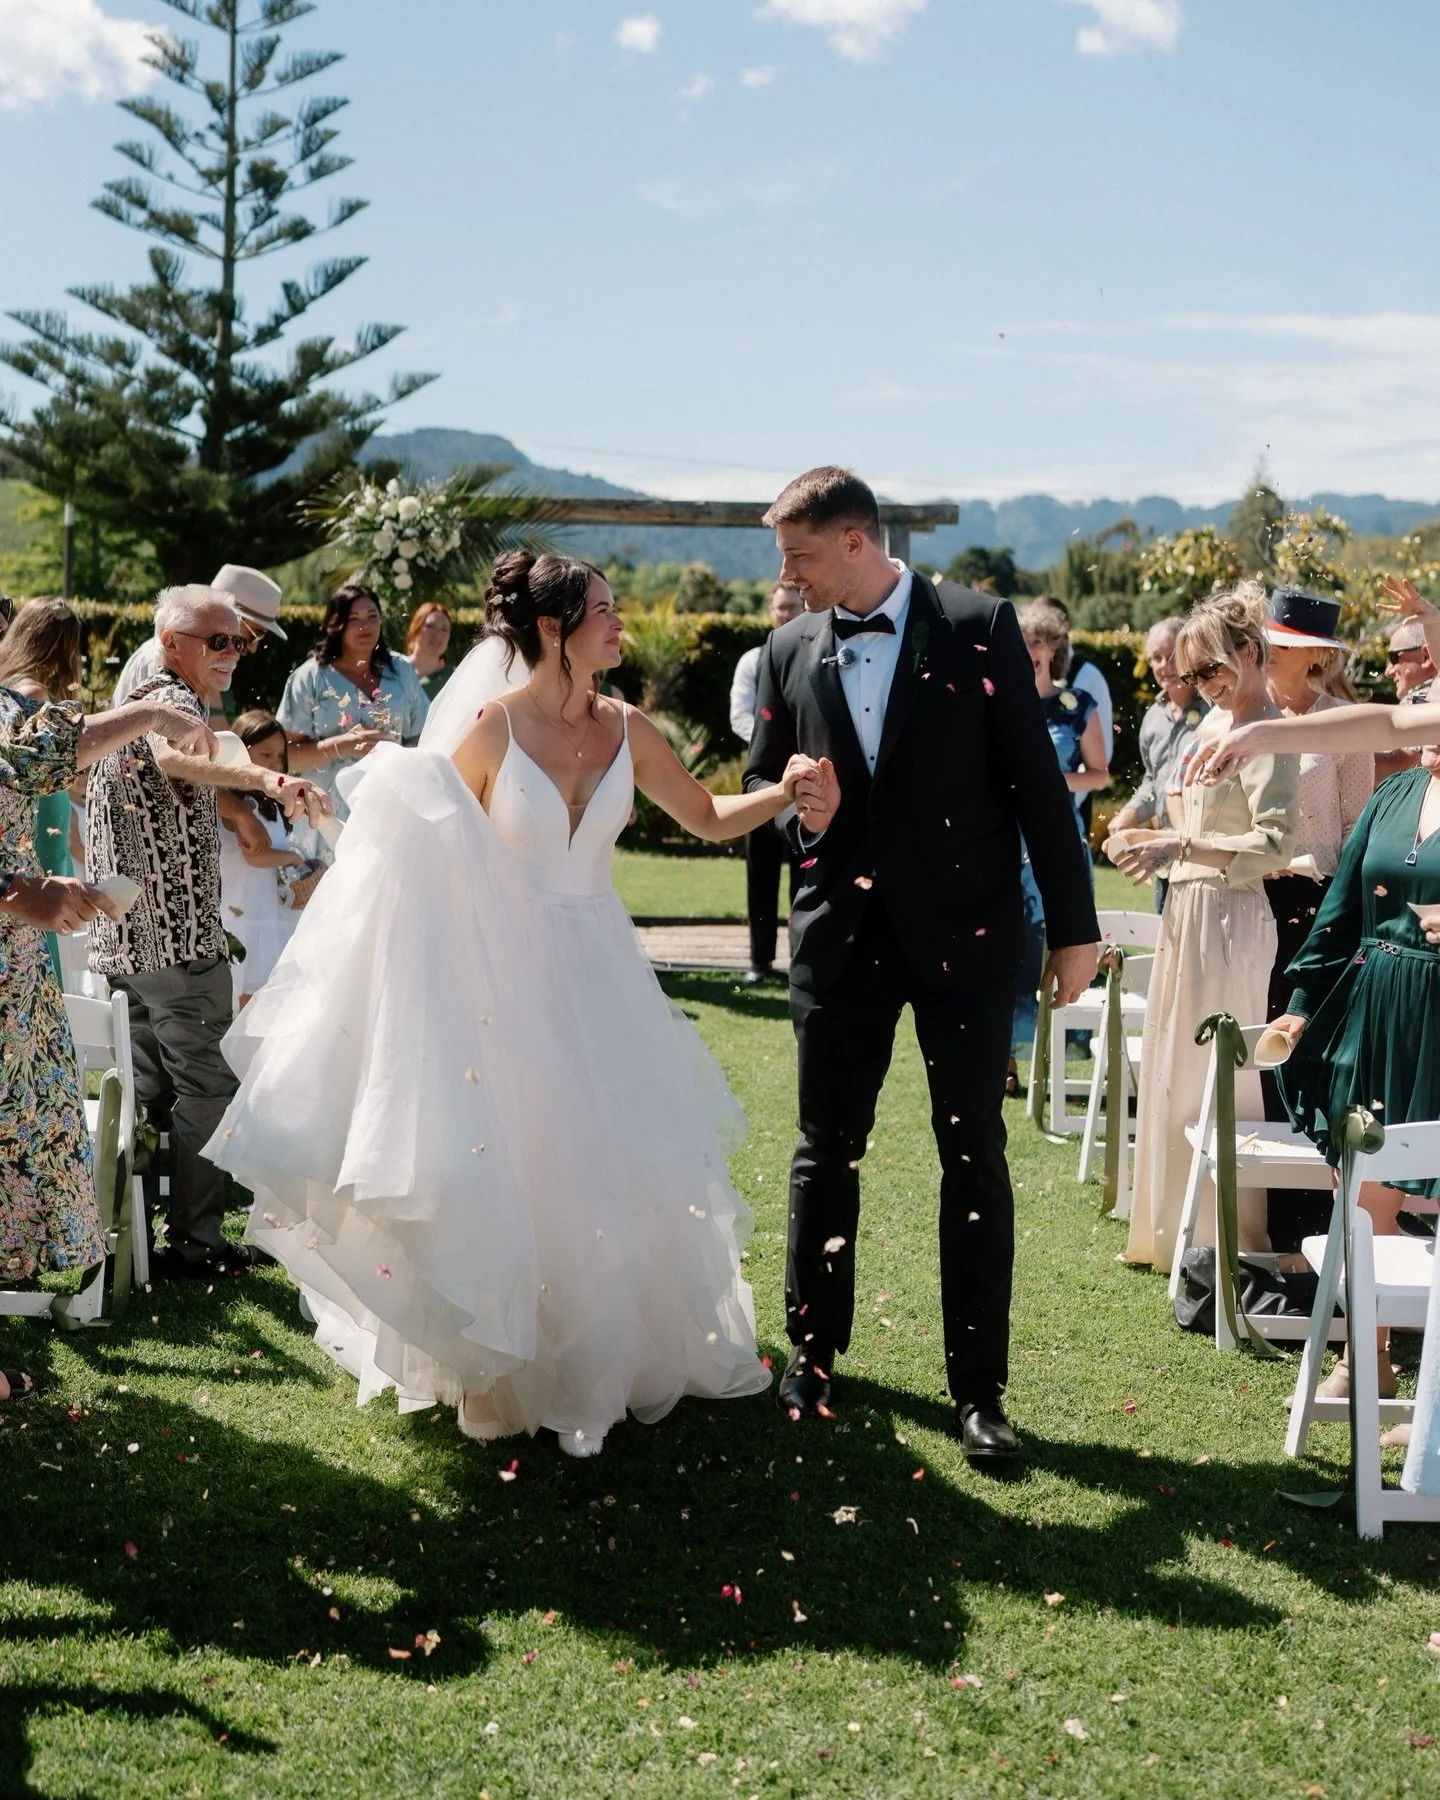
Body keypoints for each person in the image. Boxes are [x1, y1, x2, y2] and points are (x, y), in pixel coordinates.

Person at [205, 550, 830, 1458]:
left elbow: (703, 815)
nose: (621, 624)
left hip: (602, 967)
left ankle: (602, 1357)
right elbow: (423, 844)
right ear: (553, 628)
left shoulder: (630, 727)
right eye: (606, 612)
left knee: (608, 1162)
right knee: (517, 1160)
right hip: (504, 970)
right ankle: (502, 1367)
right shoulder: (491, 730)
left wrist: (782, 792)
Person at [743, 467, 1100, 1464]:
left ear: (855, 540)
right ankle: (813, 1354)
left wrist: (1073, 929)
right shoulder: (782, 652)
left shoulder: (979, 625)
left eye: (800, 554)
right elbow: (758, 798)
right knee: (825, 1150)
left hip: (967, 939)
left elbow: (1036, 785)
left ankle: (978, 1392)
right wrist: (798, 818)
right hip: (840, 945)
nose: (787, 574)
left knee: (974, 1154)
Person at [86, 584, 326, 1278]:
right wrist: (269, 781)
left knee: (149, 1094)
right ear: (173, 643)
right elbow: (180, 760)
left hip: (125, 938)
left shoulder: (139, 689)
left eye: (239, 641)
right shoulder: (173, 701)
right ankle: (195, 1246)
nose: (233, 653)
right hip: (178, 940)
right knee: (208, 1089)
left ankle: (132, 1234)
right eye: (217, 640)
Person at [0, 674, 221, 1284]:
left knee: (21, 1128)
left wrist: (148, 713)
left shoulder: (9, 712)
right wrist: (15, 891)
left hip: (14, 973)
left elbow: (49, 752)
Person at [1107, 582, 1297, 1273]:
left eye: (1211, 669)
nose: (1202, 685)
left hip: (1232, 917)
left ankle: (1225, 1239)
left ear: (1249, 653)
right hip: (1187, 909)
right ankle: (1167, 1233)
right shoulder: (1207, 728)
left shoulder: (1267, 730)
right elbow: (1191, 823)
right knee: (1171, 1069)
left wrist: (1178, 849)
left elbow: (1274, 847)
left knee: (1216, 1078)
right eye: (1192, 675)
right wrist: (1145, 839)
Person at [1266, 741, 1440, 1421]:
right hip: (1375, 1011)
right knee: (1364, 1199)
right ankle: (1366, 1364)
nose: (1418, 710)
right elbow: (1340, 907)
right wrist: (1304, 1003)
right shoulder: (1394, 794)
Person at [1008, 598, 1110, 1090]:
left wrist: (1048, 780)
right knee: (1009, 940)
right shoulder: (1001, 703)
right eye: (1021, 642)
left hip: (1056, 837)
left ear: (1052, 647)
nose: (1029, 650)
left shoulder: (1076, 708)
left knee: (1057, 935)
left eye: (1035, 641)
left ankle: (1055, 1048)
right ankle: (1003, 1055)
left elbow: (1101, 774)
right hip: (1006, 838)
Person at [277, 582, 429, 863]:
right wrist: (340, 745)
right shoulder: (309, 678)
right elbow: (284, 758)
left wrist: (397, 758)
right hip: (325, 819)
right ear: (335, 625)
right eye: (354, 619)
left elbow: (424, 737)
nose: (365, 626)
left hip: (391, 810)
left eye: (372, 616)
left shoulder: (402, 672)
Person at [0, 597, 85, 978]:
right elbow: (39, 771)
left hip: (42, 825)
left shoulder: (10, 684)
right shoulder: (32, 692)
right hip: (39, 835)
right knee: (36, 952)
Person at [1105, 617, 1209, 913]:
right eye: (1157, 657)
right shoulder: (1152, 720)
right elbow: (1154, 781)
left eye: (1173, 655)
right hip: (1164, 848)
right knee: (1166, 941)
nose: (1166, 665)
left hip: (1205, 848)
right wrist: (1129, 813)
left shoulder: (1215, 711)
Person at [730, 582, 805, 981]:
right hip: (761, 781)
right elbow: (739, 715)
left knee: (805, 874)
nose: (787, 614)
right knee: (760, 875)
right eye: (781, 608)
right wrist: (772, 746)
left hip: (806, 785)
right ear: (771, 611)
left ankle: (800, 959)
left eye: (793, 606)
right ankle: (759, 961)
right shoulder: (752, 661)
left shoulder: (816, 654)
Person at [218, 711, 317, 1006]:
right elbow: (255, 856)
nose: (275, 764)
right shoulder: (242, 805)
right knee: (249, 992)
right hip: (244, 912)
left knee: (269, 993)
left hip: (267, 911)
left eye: (279, 756)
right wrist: (291, 858)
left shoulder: (270, 804)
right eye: (265, 754)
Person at [113, 564, 288, 710]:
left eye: (239, 642)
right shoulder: (163, 665)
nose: (252, 647)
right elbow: (170, 745)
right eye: (255, 635)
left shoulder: (195, 663)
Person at [402, 601, 455, 699]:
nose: (438, 635)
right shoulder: (395, 670)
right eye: (431, 626)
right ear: (416, 629)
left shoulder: (454, 679)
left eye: (444, 629)